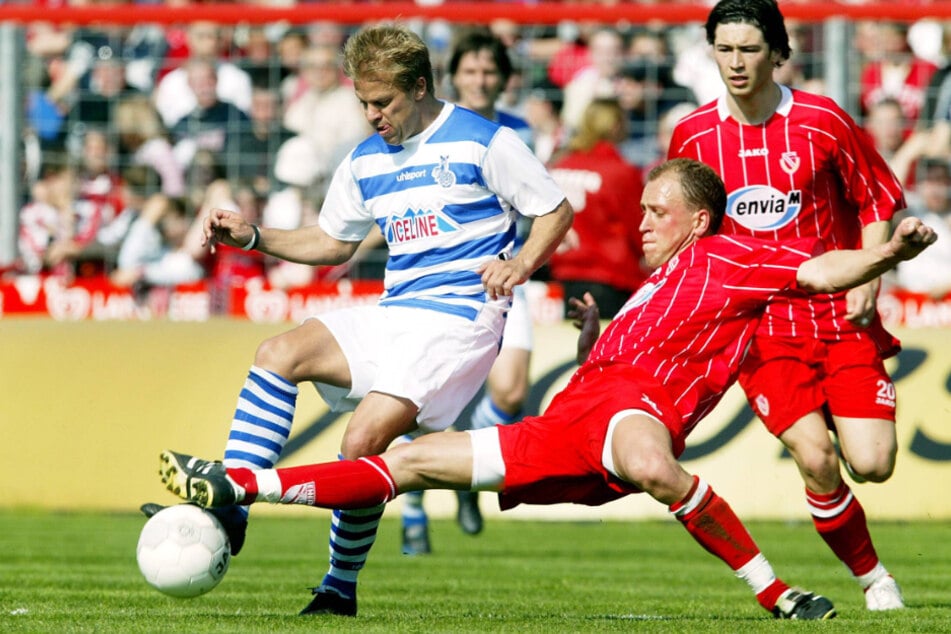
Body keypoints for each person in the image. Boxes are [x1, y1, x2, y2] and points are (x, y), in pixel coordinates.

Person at [159, 158, 938, 620]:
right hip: (573, 420)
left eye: (655, 211)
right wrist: (596, 331)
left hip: (630, 417)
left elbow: (818, 269)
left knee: (651, 461)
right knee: (410, 462)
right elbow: (630, 354)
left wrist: (884, 256)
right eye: (640, 210)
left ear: (699, 219)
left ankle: (777, 595)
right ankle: (245, 487)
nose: (640, 223)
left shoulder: (733, 258)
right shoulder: (659, 278)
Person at [151, 23, 573, 618]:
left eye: (384, 102)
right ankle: (232, 513)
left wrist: (522, 261)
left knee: (362, 441)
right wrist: (253, 236)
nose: (372, 113)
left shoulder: (484, 142)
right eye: (363, 102)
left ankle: (338, 587)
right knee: (278, 353)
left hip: (460, 318)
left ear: (420, 86)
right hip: (398, 309)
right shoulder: (365, 160)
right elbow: (332, 242)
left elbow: (555, 208)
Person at [667, 0, 908, 611]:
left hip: (838, 318)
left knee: (874, 464)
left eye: (749, 49)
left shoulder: (822, 120)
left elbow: (878, 200)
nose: (736, 62)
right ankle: (875, 579)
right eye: (724, 49)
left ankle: (844, 427)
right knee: (816, 456)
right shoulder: (693, 135)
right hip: (763, 328)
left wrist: (869, 278)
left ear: (777, 53)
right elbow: (682, 233)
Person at [397, 29, 546, 554]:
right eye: (471, 71)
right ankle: (413, 506)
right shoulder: (429, 128)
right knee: (422, 397)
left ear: (502, 80)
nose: (480, 80)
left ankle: (464, 475)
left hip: (504, 274)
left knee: (509, 392)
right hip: (439, 280)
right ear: (451, 77)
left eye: (489, 72)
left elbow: (541, 202)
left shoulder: (522, 129)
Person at [548, 98, 647, 318]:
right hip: (611, 278)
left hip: (563, 276)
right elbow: (640, 227)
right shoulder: (619, 172)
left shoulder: (560, 165)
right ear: (615, 125)